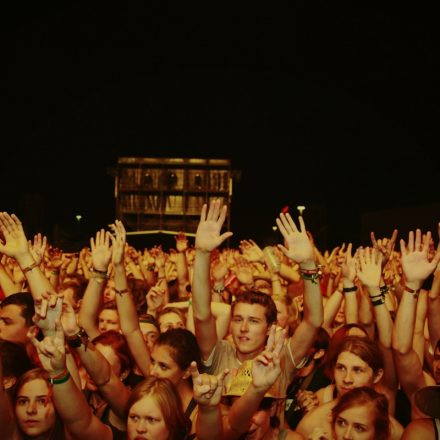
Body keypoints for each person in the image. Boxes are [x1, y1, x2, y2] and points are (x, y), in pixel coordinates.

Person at [192, 201, 323, 423]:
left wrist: (309, 264)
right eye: (238, 319)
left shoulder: (280, 359)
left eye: (253, 321)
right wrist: (202, 253)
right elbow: (202, 314)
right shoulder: (219, 353)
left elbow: (313, 321)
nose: (243, 328)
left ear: (270, 327)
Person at [296, 336, 403, 439]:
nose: (347, 379)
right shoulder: (312, 423)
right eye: (341, 368)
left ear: (377, 376)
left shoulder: (394, 432)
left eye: (357, 370)